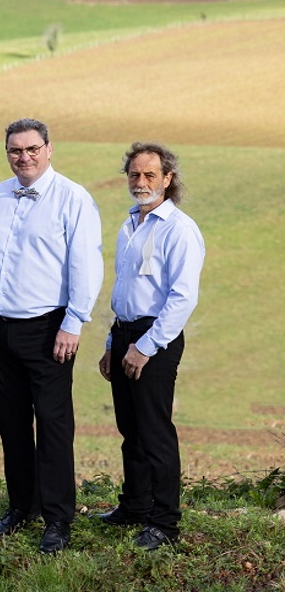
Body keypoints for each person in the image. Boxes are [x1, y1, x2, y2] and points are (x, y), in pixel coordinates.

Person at [0, 119, 103, 554]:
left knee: (52, 425)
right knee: (11, 423)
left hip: (49, 327)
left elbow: (86, 265)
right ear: (7, 153)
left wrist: (74, 322)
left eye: (32, 148)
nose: (23, 157)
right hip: (0, 326)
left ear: (49, 149)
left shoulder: (73, 198)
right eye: (15, 150)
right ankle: (20, 507)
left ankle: (57, 519)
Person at [96, 143, 205, 551]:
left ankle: (164, 523)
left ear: (167, 179)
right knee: (131, 428)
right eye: (134, 175)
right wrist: (113, 342)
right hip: (125, 333)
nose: (140, 182)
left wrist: (146, 346)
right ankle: (135, 506)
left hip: (154, 338)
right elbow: (124, 290)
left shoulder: (179, 229)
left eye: (150, 175)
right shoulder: (130, 224)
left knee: (155, 431)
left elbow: (182, 298)